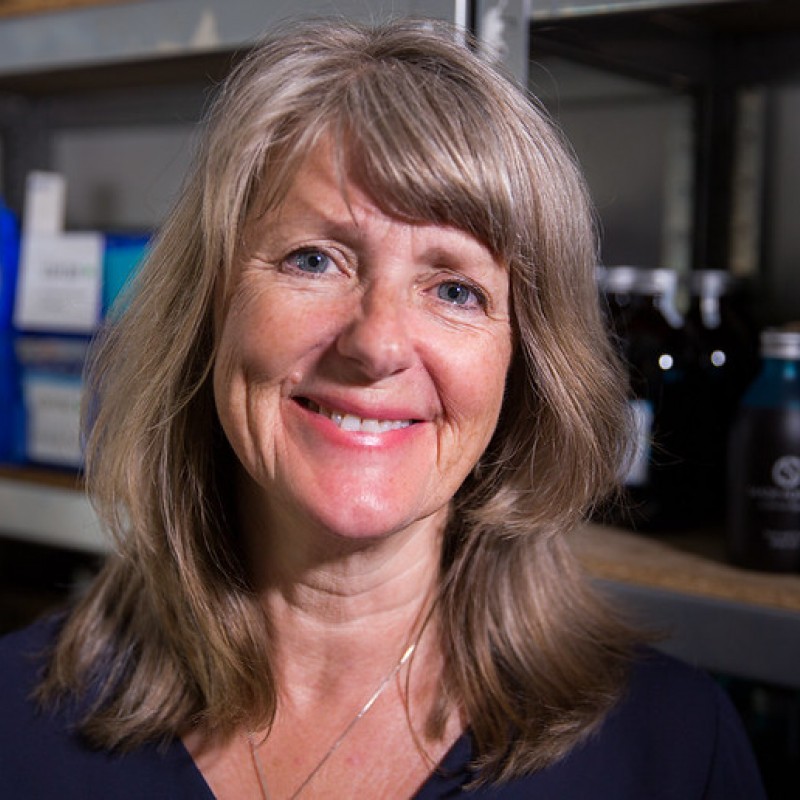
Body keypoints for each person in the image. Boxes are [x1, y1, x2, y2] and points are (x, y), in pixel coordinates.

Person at [0, 18, 765, 799]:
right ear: (208, 310)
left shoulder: (672, 753)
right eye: (314, 259)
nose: (376, 344)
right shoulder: (15, 732)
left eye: (456, 289)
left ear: (525, 367)